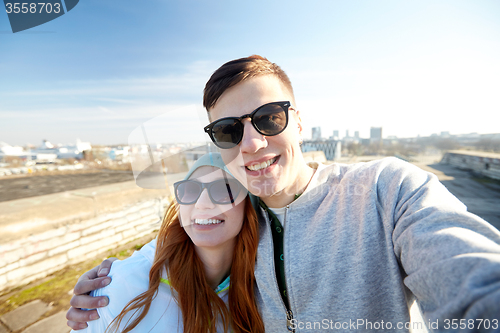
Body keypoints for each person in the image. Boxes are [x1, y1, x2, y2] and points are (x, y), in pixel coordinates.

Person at [68, 56, 500, 332]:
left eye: (269, 118)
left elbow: (469, 279)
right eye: (229, 130)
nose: (252, 144)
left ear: (298, 123)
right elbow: (182, 237)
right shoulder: (234, 209)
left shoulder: (386, 190)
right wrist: (109, 287)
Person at [69, 152, 264, 333]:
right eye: (190, 190)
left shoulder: (263, 288)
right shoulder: (125, 283)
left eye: (224, 189)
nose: (202, 203)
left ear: (249, 207)